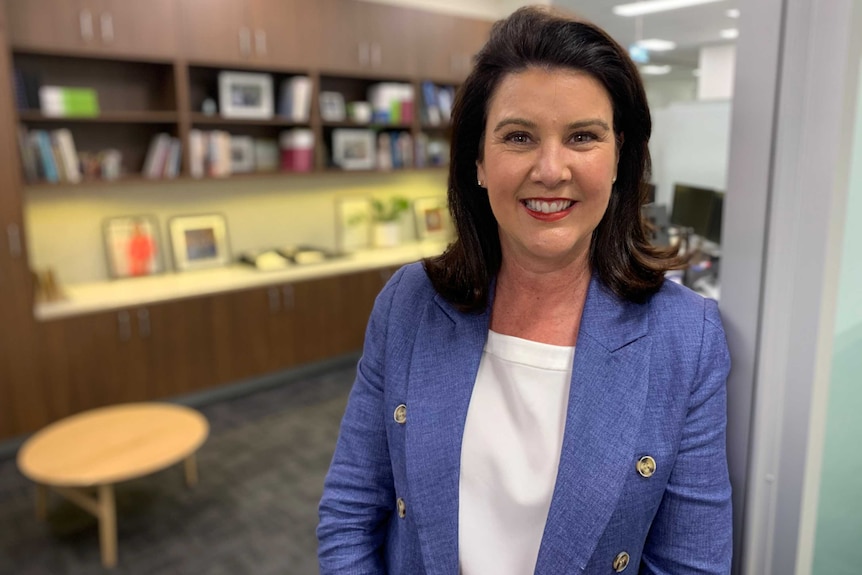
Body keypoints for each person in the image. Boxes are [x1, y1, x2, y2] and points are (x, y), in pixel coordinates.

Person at [317, 6, 732, 574]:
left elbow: (691, 564)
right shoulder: (409, 302)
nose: (551, 169)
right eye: (519, 136)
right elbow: (349, 512)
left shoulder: (686, 337)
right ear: (480, 161)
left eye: (583, 136)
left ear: (619, 159)